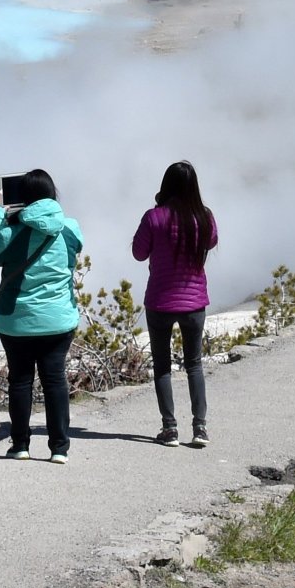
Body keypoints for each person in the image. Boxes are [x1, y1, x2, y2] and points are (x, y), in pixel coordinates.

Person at [0, 168, 84, 462]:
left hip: (17, 320)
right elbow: (75, 253)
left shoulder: (11, 233)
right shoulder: (70, 228)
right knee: (55, 381)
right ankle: (59, 448)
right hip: (58, 320)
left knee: (21, 381)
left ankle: (20, 445)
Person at [131, 161, 217, 447]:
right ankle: (200, 428)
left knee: (163, 366)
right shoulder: (204, 217)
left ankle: (170, 429)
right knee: (194, 364)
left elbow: (138, 253)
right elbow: (212, 241)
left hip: (160, 301)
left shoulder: (154, 217)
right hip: (194, 302)